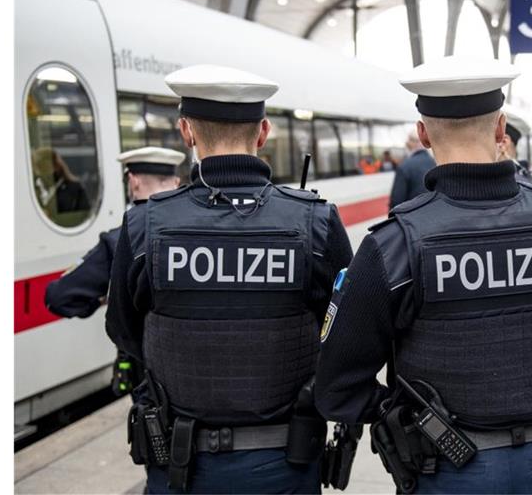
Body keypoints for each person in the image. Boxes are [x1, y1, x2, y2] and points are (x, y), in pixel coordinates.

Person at [314, 56, 532, 494]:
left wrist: (410, 415)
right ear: (502, 128)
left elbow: (338, 388)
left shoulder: (393, 244)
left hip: (444, 465)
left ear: (424, 134)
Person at [105, 64, 353, 494]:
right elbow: (345, 333)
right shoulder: (316, 222)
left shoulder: (144, 225)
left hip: (180, 465)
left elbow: (125, 331)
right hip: (285, 466)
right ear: (263, 133)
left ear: (186, 132)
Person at [45, 147, 184, 396]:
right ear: (176, 182)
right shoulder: (202, 231)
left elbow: (59, 297)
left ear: (133, 180)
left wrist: (108, 294)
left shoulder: (120, 239)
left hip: (151, 389)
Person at [389, 131, 436, 209]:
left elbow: (396, 200)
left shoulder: (405, 166)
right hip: (435, 214)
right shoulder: (436, 163)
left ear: (411, 143)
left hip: (411, 217)